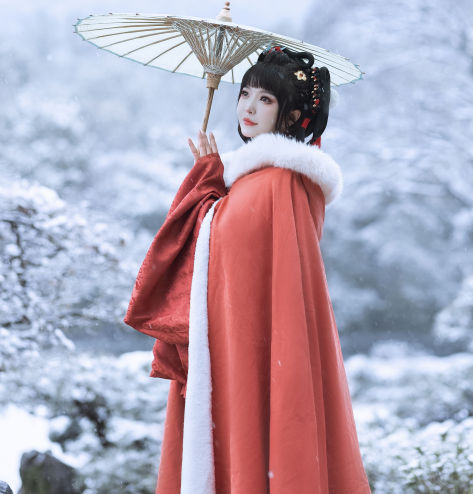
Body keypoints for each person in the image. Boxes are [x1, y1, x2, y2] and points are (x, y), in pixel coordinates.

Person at [124, 45, 371, 494]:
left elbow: (228, 246)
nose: (249, 108)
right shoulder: (254, 181)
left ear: (292, 115)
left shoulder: (280, 182)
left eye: (266, 100)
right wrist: (208, 180)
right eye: (245, 95)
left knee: (256, 424)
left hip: (252, 345)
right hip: (232, 341)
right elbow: (224, 246)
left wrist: (207, 190)